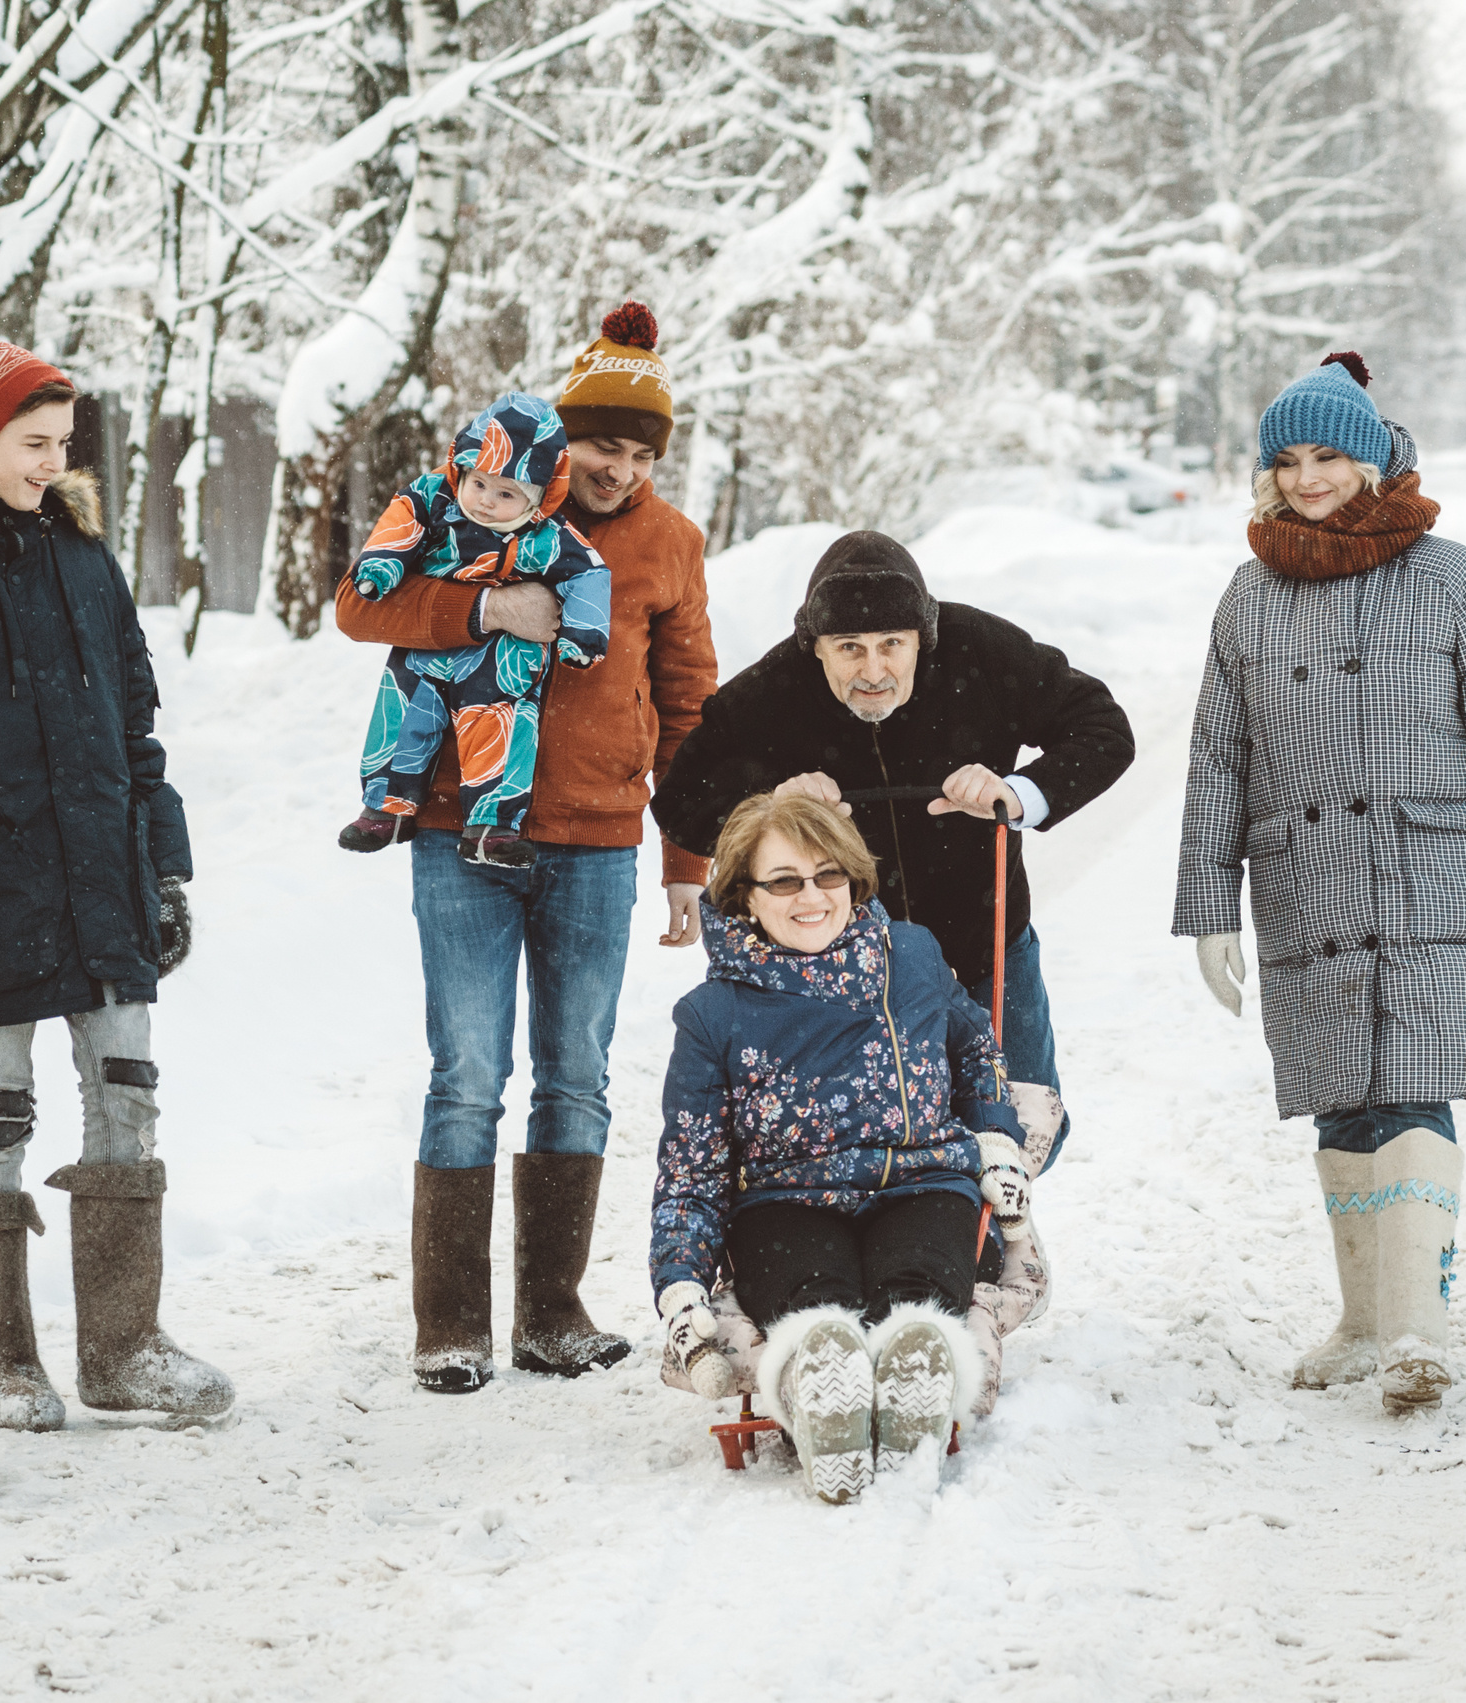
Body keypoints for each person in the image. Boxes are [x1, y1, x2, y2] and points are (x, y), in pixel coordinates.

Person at [1170, 352, 1466, 1415]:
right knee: (1340, 1096)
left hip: (1426, 872)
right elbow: (1217, 757)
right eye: (1287, 460)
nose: (1307, 477)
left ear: (1371, 455)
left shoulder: (1448, 576)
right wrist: (1208, 906)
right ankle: (1362, 1318)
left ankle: (1418, 1327)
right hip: (1305, 886)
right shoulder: (1248, 596)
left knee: (1411, 1084)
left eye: (1328, 455)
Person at [332, 301, 717, 1393]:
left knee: (578, 1076)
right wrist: (488, 609)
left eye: (641, 454)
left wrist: (684, 863)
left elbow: (692, 707)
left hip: (598, 840)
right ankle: (449, 1323)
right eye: (602, 445)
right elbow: (362, 612)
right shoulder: (478, 502)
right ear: (563, 432)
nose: (620, 470)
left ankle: (551, 1310)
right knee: (465, 1072)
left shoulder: (671, 544)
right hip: (462, 826)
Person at [0, 329, 230, 1432]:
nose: (51, 463)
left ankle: (123, 1347)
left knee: (127, 1100)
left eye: (63, 442)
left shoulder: (83, 557)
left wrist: (165, 866)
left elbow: (137, 731)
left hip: (104, 882)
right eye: (32, 442)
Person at [651, 530, 1134, 1142]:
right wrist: (770, 804)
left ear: (922, 639)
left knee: (1023, 1121)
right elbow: (681, 803)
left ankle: (992, 1221)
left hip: (984, 939)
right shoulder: (772, 690)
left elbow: (1104, 729)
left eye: (892, 645)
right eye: (849, 647)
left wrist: (1017, 794)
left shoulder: (981, 652)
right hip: (844, 962)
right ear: (815, 647)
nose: (873, 670)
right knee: (885, 1139)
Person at [647, 793, 1030, 1503]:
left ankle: (916, 1379)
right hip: (785, 1199)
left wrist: (997, 1138)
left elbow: (976, 1050)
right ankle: (819, 1389)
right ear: (743, 895)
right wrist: (679, 1279)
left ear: (854, 878)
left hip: (921, 1181)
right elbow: (692, 1165)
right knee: (811, 1301)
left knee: (914, 1287)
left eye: (829, 875)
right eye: (784, 880)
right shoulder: (714, 1013)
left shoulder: (910, 956)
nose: (812, 896)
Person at [338, 391, 610, 867]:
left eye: (507, 494)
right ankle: (386, 807)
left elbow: (589, 573)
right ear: (461, 468)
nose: (486, 502)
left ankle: (492, 827)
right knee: (402, 720)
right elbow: (401, 520)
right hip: (424, 649)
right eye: (479, 484)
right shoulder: (436, 498)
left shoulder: (547, 535)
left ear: (538, 497)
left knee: (499, 729)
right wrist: (381, 566)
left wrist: (583, 634)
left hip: (501, 660)